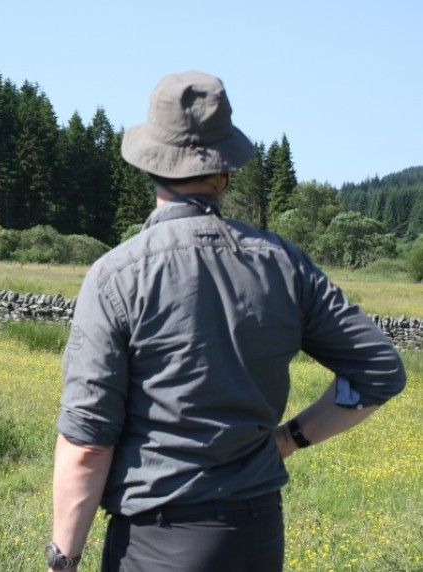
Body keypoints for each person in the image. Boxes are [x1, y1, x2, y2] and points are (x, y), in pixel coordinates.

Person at [46, 71, 406, 572]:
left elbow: (87, 444)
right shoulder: (282, 263)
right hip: (256, 536)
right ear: (225, 171)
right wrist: (289, 438)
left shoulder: (117, 276)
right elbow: (379, 371)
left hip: (157, 543)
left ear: (150, 163)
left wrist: (62, 560)